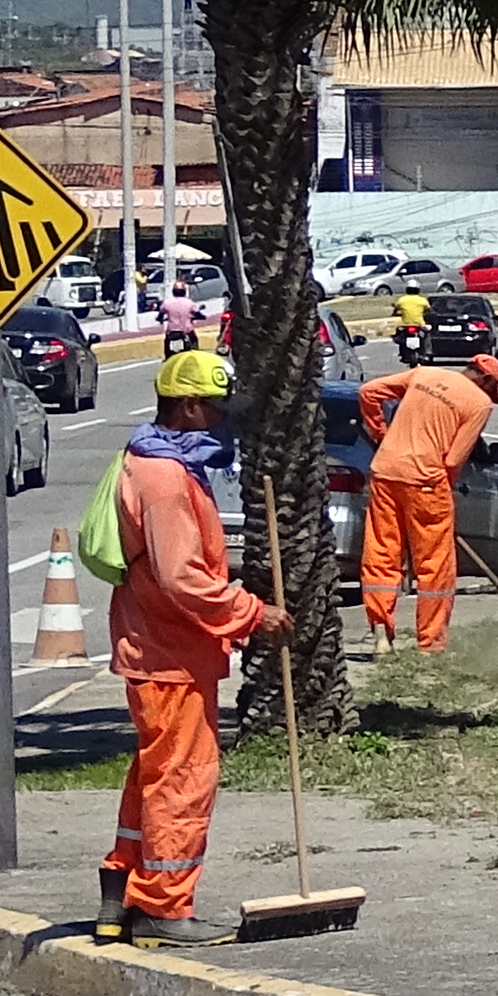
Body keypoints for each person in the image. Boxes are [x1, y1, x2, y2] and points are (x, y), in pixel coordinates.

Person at [98, 345, 285, 946]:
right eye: (216, 407)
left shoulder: (150, 460)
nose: (224, 418)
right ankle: (162, 907)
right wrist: (253, 613)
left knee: (155, 776)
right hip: (169, 653)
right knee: (183, 780)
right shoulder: (166, 480)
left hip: (160, 648)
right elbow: (182, 577)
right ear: (187, 408)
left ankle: (121, 888)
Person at [354, 339, 498, 651]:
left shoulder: (423, 375)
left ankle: (381, 635)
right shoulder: (478, 403)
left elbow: (367, 392)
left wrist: (380, 434)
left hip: (385, 471)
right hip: (426, 480)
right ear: (487, 380)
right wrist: (442, 490)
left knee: (382, 553)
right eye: (492, 389)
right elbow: (453, 460)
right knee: (434, 564)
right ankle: (431, 642)